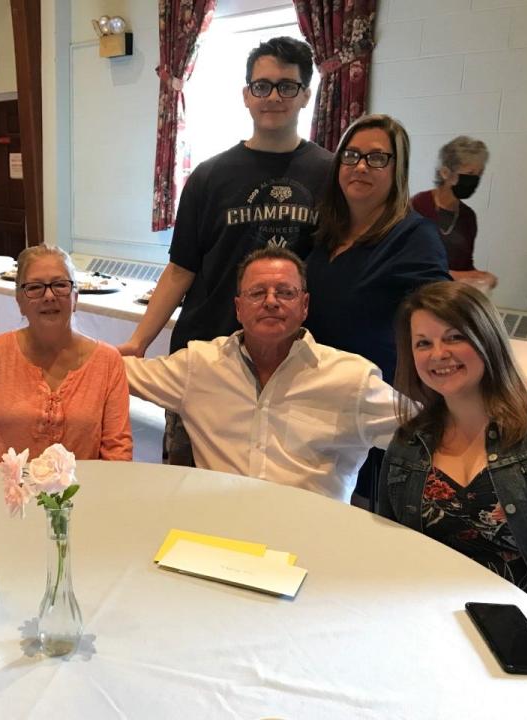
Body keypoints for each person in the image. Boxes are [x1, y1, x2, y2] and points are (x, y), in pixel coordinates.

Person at [119, 36, 332, 466]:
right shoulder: (208, 176)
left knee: (279, 480)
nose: (273, 96)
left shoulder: (330, 174)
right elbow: (181, 269)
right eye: (262, 86)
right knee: (189, 475)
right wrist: (139, 340)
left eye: (287, 86)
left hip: (289, 364)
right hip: (206, 352)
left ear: (306, 95)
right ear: (246, 96)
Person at [124, 247, 398, 502]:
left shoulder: (351, 379)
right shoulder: (200, 365)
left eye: (285, 292)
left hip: (311, 536)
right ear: (238, 308)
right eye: (257, 293)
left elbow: (426, 432)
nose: (270, 302)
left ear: (305, 306)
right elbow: (113, 369)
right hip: (219, 531)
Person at [379, 281, 527, 620]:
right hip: (435, 620)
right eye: (423, 343)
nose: (438, 354)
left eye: (454, 337)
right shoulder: (409, 445)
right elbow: (393, 551)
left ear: (486, 339)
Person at [0, 245, 132, 469]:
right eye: (35, 287)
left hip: (73, 499)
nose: (49, 296)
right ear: (20, 301)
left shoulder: (108, 362)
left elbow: (117, 450)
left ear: (76, 297)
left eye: (60, 285)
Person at [305, 114, 451, 384]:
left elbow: (447, 321)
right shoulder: (324, 234)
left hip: (376, 399)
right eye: (351, 155)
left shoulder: (415, 238)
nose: (360, 166)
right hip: (318, 389)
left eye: (376, 158)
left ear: (398, 169)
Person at [411, 136, 497, 291]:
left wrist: (482, 276)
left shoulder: (468, 217)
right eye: (470, 173)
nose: (475, 180)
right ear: (445, 173)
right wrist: (458, 276)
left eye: (479, 174)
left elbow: (465, 265)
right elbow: (409, 265)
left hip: (448, 301)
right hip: (417, 298)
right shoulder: (417, 206)